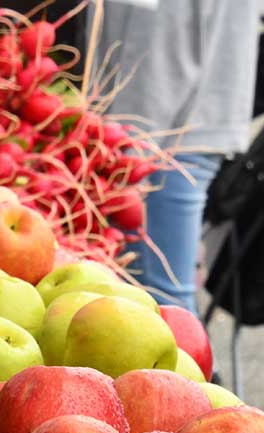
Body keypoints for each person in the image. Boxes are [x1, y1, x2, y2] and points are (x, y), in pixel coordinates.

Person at [92, 1, 260, 314]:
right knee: (141, 294)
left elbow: (154, 32)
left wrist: (129, 139)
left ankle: (191, 363)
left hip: (170, 133)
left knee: (163, 298)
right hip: (154, 127)